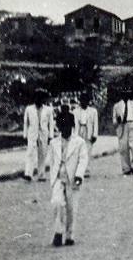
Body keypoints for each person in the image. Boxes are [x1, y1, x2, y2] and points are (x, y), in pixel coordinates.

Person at [47, 107, 88, 246]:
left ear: (72, 126)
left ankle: (70, 235)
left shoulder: (80, 142)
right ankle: (58, 233)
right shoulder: (53, 143)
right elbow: (52, 162)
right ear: (58, 127)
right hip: (59, 177)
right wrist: (53, 178)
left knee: (71, 208)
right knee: (57, 203)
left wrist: (79, 175)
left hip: (73, 178)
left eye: (68, 126)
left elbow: (83, 160)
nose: (65, 130)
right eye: (62, 126)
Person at [112, 88, 133, 175]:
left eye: (128, 93)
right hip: (122, 126)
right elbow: (114, 121)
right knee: (123, 148)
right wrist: (118, 121)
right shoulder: (117, 106)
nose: (126, 95)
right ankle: (126, 168)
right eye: (124, 93)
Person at [23, 91, 52, 182]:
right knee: (30, 152)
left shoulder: (48, 110)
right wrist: (25, 135)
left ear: (43, 99)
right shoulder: (29, 109)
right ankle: (28, 173)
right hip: (32, 133)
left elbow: (51, 123)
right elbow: (26, 123)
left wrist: (50, 136)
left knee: (42, 153)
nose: (38, 100)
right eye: (37, 98)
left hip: (43, 133)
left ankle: (41, 174)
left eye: (40, 98)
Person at [73, 93, 98, 178]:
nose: (83, 102)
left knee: (88, 151)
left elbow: (95, 123)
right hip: (79, 131)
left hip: (88, 131)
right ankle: (78, 170)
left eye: (85, 101)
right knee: (78, 150)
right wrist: (75, 136)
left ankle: (86, 170)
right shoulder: (75, 111)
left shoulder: (93, 111)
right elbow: (75, 124)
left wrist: (95, 134)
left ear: (88, 102)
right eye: (82, 101)